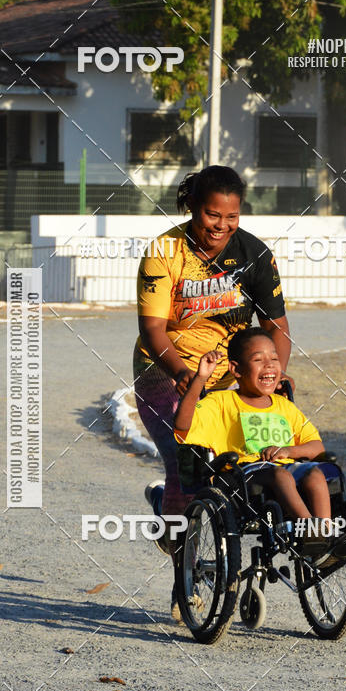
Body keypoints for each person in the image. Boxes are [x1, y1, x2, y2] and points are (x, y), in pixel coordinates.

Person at [133, 166, 293, 621]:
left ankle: (173, 511)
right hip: (164, 372)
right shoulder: (164, 252)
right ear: (192, 208)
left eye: (231, 216)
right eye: (211, 215)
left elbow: (277, 327)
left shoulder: (255, 254)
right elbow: (153, 329)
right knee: (188, 465)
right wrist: (183, 374)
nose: (221, 225)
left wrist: (273, 374)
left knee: (232, 470)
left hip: (230, 378)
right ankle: (184, 583)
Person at [174, 328, 335, 556]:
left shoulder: (285, 406)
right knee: (280, 476)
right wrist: (200, 379)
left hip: (287, 468)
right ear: (236, 369)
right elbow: (182, 427)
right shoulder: (221, 402)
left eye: (274, 359)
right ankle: (310, 530)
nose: (269, 365)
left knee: (315, 474)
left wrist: (288, 450)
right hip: (244, 475)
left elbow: (317, 447)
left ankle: (326, 537)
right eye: (258, 360)